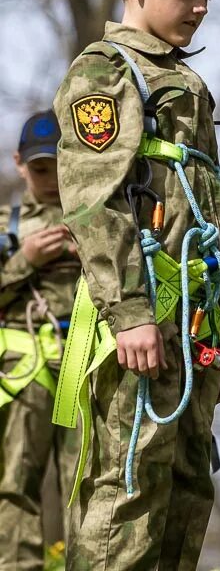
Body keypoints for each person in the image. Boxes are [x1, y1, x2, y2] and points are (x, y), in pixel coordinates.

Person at [52, 0, 220, 570]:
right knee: (126, 496)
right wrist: (131, 313)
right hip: (141, 325)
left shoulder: (186, 84)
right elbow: (93, 200)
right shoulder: (107, 72)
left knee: (186, 496)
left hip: (192, 334)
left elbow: (213, 220)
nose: (201, 9)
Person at [0, 111, 80, 569]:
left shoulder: (101, 221)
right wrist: (25, 259)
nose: (50, 179)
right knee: (15, 484)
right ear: (19, 164)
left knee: (86, 484)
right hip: (22, 374)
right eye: (39, 169)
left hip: (84, 372)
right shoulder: (7, 225)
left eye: (58, 166)